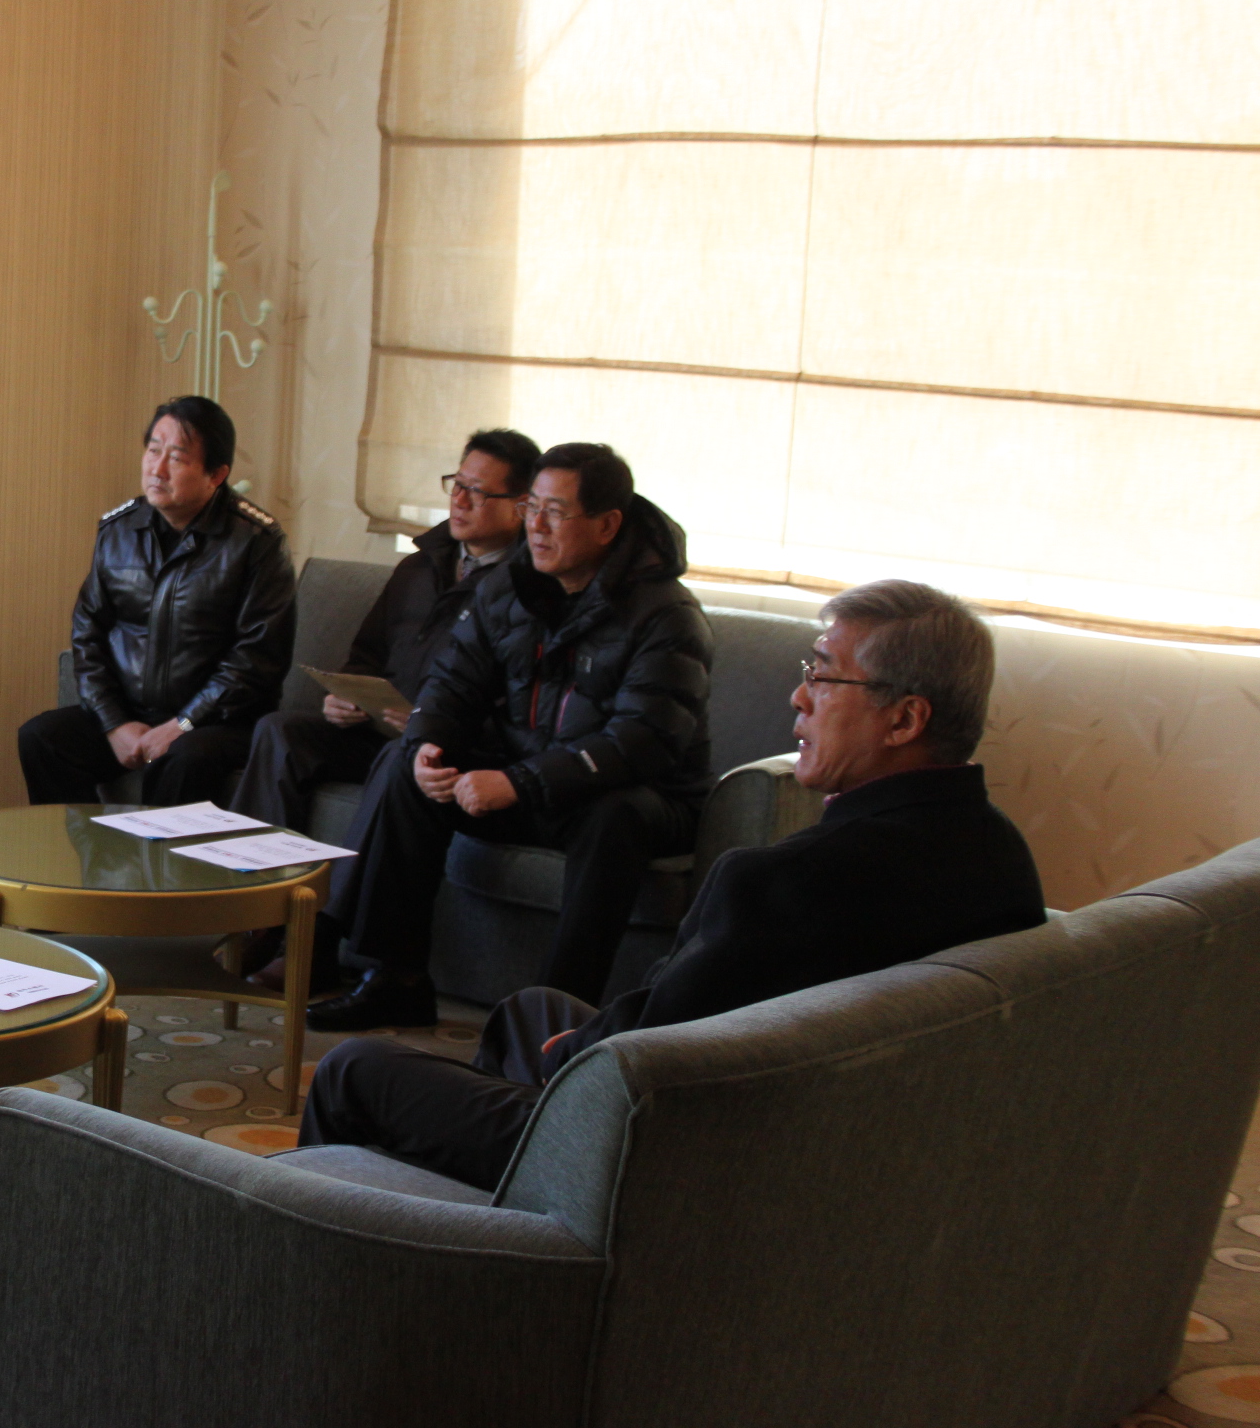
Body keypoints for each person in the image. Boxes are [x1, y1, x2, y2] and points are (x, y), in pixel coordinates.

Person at [297, 579, 1047, 1191]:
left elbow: (641, 1060)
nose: (799, 698)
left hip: (658, 1160)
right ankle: (498, 1221)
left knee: (354, 1070)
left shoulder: (781, 882)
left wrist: (574, 1052)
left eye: (822, 675)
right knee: (530, 1010)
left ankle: (506, 1221)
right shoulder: (1003, 858)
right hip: (838, 1145)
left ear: (904, 719)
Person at [303, 442, 713, 1031]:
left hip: (638, 793)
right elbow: (452, 683)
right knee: (402, 763)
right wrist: (426, 744)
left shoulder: (666, 614)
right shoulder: (509, 586)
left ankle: (555, 1020)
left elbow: (643, 740)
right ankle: (395, 979)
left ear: (607, 525)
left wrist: (517, 783)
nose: (536, 527)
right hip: (532, 778)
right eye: (531, 508)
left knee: (615, 816)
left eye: (555, 512)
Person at [232, 428, 540, 837]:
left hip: (442, 747)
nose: (460, 500)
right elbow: (367, 653)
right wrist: (344, 698)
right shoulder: (418, 567)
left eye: (478, 492)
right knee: (279, 730)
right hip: (374, 729)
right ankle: (252, 869)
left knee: (401, 755)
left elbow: (518, 705)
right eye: (457, 484)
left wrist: (429, 724)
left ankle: (342, 880)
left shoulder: (525, 589)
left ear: (521, 506)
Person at [18, 395, 296, 806]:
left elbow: (257, 660)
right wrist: (114, 724)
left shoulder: (256, 542)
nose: (157, 469)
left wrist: (182, 724)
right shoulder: (118, 530)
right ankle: (85, 847)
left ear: (216, 475)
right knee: (42, 738)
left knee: (181, 757)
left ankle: (154, 852)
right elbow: (88, 634)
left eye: (177, 458)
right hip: (131, 713)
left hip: (218, 723)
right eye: (153, 451)